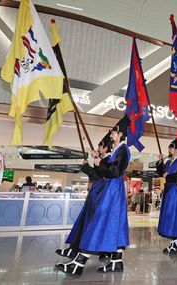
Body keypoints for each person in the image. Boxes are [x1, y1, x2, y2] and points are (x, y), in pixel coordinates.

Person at [55, 116, 131, 276]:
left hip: (113, 190)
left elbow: (115, 172)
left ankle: (78, 263)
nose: (111, 136)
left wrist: (100, 163)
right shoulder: (118, 150)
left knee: (99, 222)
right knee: (113, 225)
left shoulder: (124, 150)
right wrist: (99, 162)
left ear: (122, 135)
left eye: (114, 133)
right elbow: (109, 169)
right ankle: (117, 261)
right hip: (112, 189)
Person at [55, 131, 112, 264]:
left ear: (106, 148)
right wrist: (89, 165)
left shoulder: (108, 160)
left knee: (92, 222)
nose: (98, 149)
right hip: (95, 192)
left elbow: (99, 177)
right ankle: (74, 248)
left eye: (100, 147)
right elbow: (95, 175)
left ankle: (89, 250)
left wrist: (87, 167)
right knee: (84, 220)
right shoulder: (103, 160)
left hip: (99, 193)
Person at [156, 138, 177, 254]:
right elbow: (161, 173)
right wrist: (160, 162)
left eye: (171, 148)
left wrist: (168, 175)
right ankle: (173, 242)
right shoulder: (168, 162)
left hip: (174, 191)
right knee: (168, 216)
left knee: (173, 216)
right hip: (168, 191)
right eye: (169, 148)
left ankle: (175, 242)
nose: (169, 150)